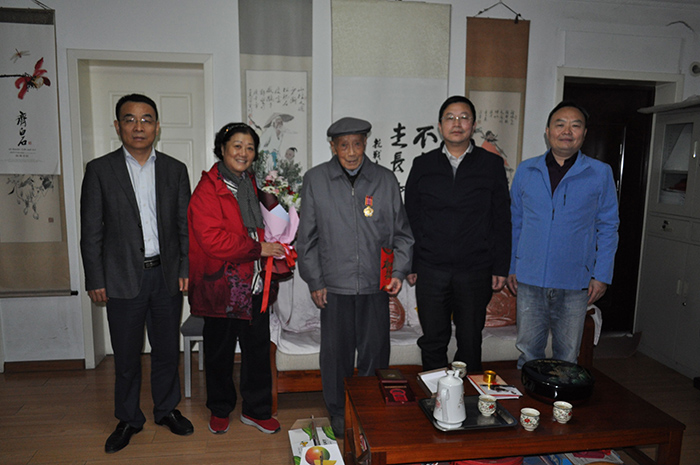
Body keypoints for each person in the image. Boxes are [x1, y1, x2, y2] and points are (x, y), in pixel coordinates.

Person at [80, 94, 193, 453]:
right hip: (120, 278)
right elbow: (91, 231)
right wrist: (95, 278)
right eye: (130, 119)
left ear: (157, 127)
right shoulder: (100, 170)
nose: (138, 126)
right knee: (127, 355)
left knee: (166, 349)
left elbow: (184, 226)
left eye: (147, 119)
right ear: (118, 126)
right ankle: (128, 418)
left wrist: (185, 267)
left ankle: (166, 409)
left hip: (165, 276)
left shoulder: (175, 170)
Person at [296, 117, 414, 436]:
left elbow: (403, 235)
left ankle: (367, 408)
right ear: (333, 147)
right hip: (334, 287)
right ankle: (338, 411)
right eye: (344, 145)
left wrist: (399, 271)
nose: (351, 152)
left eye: (357, 144)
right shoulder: (316, 180)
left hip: (376, 285)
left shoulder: (385, 180)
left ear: (365, 144)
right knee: (336, 356)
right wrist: (315, 280)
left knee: (376, 354)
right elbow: (306, 239)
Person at [188, 122, 285, 435]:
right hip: (222, 287)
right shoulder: (208, 189)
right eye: (237, 146)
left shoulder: (253, 185)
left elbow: (265, 224)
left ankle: (256, 410)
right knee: (220, 353)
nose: (243, 153)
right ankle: (220, 409)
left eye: (250, 148)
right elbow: (212, 240)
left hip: (254, 284)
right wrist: (259, 248)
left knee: (257, 351)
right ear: (222, 149)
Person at [507, 101, 619, 369]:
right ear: (548, 131)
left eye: (575, 125)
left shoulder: (599, 173)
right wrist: (511, 266)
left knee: (567, 356)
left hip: (575, 281)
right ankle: (529, 396)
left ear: (584, 133)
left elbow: (608, 226)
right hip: (530, 277)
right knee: (529, 352)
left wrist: (602, 275)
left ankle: (561, 398)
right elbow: (515, 222)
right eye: (560, 124)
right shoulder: (526, 170)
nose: (567, 131)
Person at [404, 95, 511, 373]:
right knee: (433, 339)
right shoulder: (423, 164)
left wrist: (500, 266)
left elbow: (501, 218)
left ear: (473, 125)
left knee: (470, 338)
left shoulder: (491, 164)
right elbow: (411, 217)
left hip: (475, 269)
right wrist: (411, 263)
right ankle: (435, 394)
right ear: (440, 126)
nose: (457, 123)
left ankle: (469, 394)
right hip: (431, 268)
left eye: (464, 118)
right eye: (450, 118)